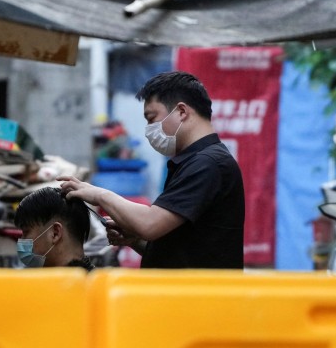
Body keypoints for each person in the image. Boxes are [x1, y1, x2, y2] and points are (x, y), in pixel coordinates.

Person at [60, 71, 245, 269]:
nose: (149, 129)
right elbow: (183, 251)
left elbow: (150, 224)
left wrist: (99, 195)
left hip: (200, 290)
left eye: (151, 118)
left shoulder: (208, 164)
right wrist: (134, 241)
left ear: (181, 111)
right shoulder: (195, 162)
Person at [13, 187, 95, 270]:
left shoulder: (93, 278)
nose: (21, 240)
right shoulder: (95, 277)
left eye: (26, 232)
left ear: (55, 233)